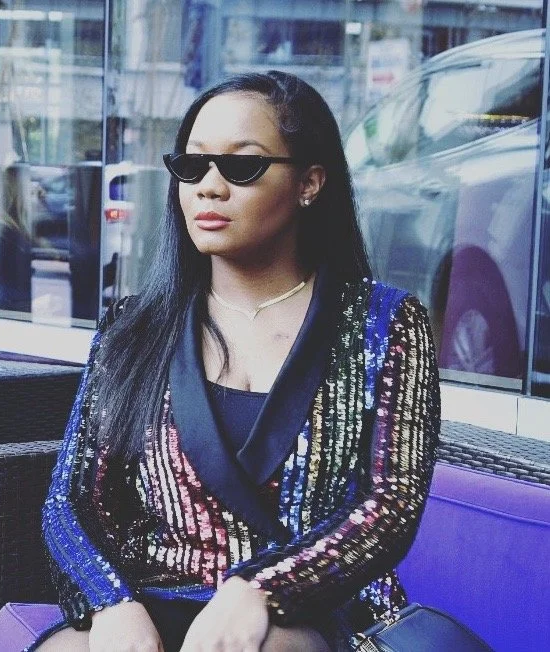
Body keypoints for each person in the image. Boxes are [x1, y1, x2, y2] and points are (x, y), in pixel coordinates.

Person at [35, 71, 440, 652]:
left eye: (241, 166)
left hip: (319, 609)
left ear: (309, 183)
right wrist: (110, 602)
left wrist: (260, 588)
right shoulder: (133, 326)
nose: (209, 187)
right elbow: (71, 501)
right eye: (192, 165)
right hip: (154, 599)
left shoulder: (385, 323)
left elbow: (389, 506)